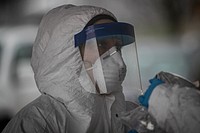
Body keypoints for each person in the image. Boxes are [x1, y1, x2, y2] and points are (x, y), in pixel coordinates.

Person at [2, 4, 138, 133]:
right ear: (67, 56)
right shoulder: (36, 123)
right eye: (101, 44)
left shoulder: (132, 116)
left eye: (118, 48)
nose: (119, 61)